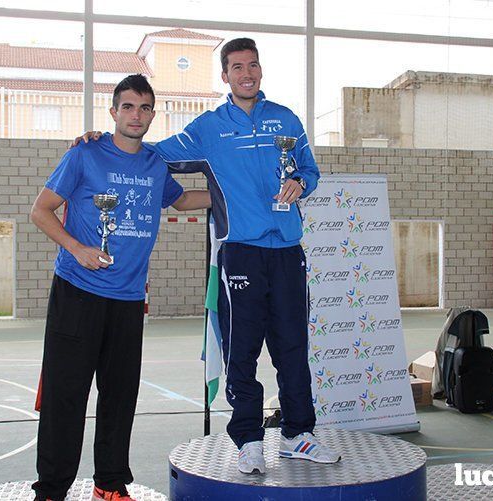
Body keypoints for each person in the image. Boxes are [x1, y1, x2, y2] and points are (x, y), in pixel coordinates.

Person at [75, 38, 340, 475]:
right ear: (225, 76)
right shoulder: (209, 129)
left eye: (253, 65)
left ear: (260, 70)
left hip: (289, 252)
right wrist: (106, 139)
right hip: (242, 253)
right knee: (243, 350)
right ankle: (249, 439)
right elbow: (152, 151)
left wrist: (302, 184)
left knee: (294, 347)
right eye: (237, 67)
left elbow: (309, 171)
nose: (247, 73)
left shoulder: (286, 119)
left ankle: (298, 435)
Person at [31, 74, 210, 501]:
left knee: (120, 395)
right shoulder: (85, 154)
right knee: (65, 395)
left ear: (153, 114)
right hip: (78, 291)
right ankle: (51, 491)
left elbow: (182, 200)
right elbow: (41, 211)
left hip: (128, 299)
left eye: (145, 108)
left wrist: (235, 195)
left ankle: (109, 485)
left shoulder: (154, 162)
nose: (137, 115)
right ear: (113, 112)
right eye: (128, 107)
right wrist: (78, 249)